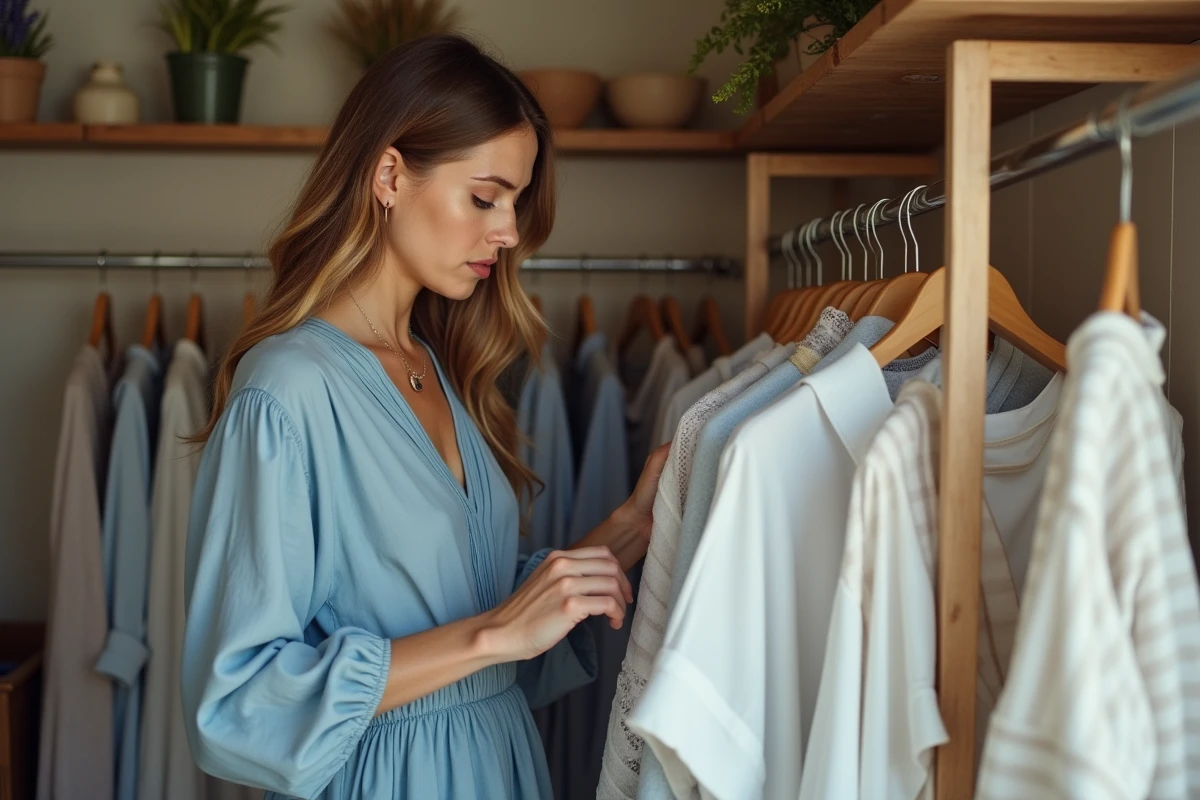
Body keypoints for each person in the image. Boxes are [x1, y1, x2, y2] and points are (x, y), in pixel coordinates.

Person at [181, 33, 668, 800]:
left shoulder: (437, 366)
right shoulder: (287, 391)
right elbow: (235, 701)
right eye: (485, 197)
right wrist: (493, 636)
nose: (508, 232)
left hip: (500, 765)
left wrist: (630, 530)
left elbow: (466, 607)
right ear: (388, 175)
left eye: (515, 201)